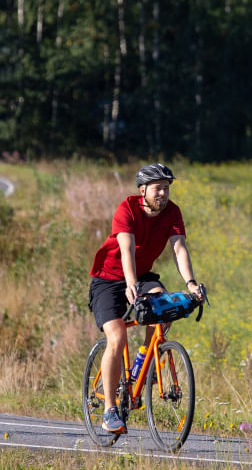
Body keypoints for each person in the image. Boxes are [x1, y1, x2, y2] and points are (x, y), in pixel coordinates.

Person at [88, 163, 205, 434]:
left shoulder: (172, 212)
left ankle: (141, 366)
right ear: (143, 190)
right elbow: (126, 249)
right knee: (117, 336)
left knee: (168, 308)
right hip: (109, 279)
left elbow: (179, 248)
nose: (163, 194)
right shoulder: (126, 209)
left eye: (166, 188)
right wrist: (130, 284)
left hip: (142, 276)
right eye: (158, 189)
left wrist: (191, 284)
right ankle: (109, 411)